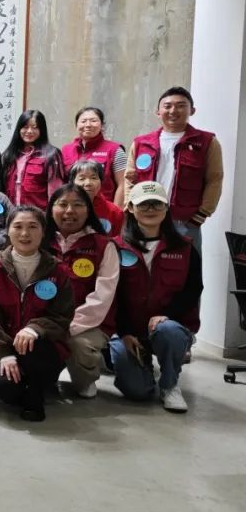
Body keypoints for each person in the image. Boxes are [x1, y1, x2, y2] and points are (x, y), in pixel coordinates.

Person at [110, 181, 201, 412]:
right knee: (138, 392)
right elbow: (111, 295)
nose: (150, 209)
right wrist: (124, 331)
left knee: (167, 330)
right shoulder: (115, 247)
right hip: (130, 331)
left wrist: (167, 316)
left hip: (169, 326)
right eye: (143, 204)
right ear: (130, 208)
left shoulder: (185, 248)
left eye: (156, 204)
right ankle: (143, 370)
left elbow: (193, 290)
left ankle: (170, 385)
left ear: (166, 208)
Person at [0, 206, 73, 422]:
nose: (24, 234)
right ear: (8, 231)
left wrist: (35, 328)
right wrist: (4, 353)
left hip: (43, 348)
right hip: (5, 346)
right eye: (18, 226)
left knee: (36, 348)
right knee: (6, 389)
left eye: (32, 227)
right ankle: (28, 387)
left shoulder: (57, 269)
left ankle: (36, 394)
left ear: (43, 231)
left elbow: (63, 316)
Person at [125, 86, 223, 253]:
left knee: (186, 271)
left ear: (192, 110)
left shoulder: (207, 142)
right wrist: (129, 207)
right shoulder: (141, 143)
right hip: (144, 217)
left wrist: (201, 214)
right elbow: (129, 178)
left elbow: (215, 179)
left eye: (181, 105)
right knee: (141, 269)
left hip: (183, 221)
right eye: (167, 106)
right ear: (158, 111)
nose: (173, 110)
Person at [45, 184, 119, 399]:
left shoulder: (104, 245)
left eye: (78, 205)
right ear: (51, 209)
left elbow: (103, 296)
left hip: (89, 324)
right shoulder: (39, 241)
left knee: (78, 345)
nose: (70, 211)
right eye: (63, 204)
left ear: (89, 210)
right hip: (45, 320)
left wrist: (70, 326)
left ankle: (85, 378)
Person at [62, 107, 127, 207]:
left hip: (104, 211)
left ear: (102, 125)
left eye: (93, 121)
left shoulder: (115, 150)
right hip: (73, 211)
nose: (88, 125)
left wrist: (116, 214)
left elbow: (123, 185)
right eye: (83, 121)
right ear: (76, 125)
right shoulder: (66, 150)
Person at [2, 109, 65, 209]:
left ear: (41, 130)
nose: (29, 131)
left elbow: (55, 191)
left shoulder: (51, 154)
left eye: (35, 127)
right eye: (25, 127)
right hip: (12, 215)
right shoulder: (9, 154)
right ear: (19, 129)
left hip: (39, 216)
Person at [70, 159, 124, 236]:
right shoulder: (64, 209)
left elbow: (117, 241)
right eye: (82, 179)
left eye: (93, 178)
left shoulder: (115, 212)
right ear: (72, 182)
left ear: (101, 182)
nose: (88, 183)